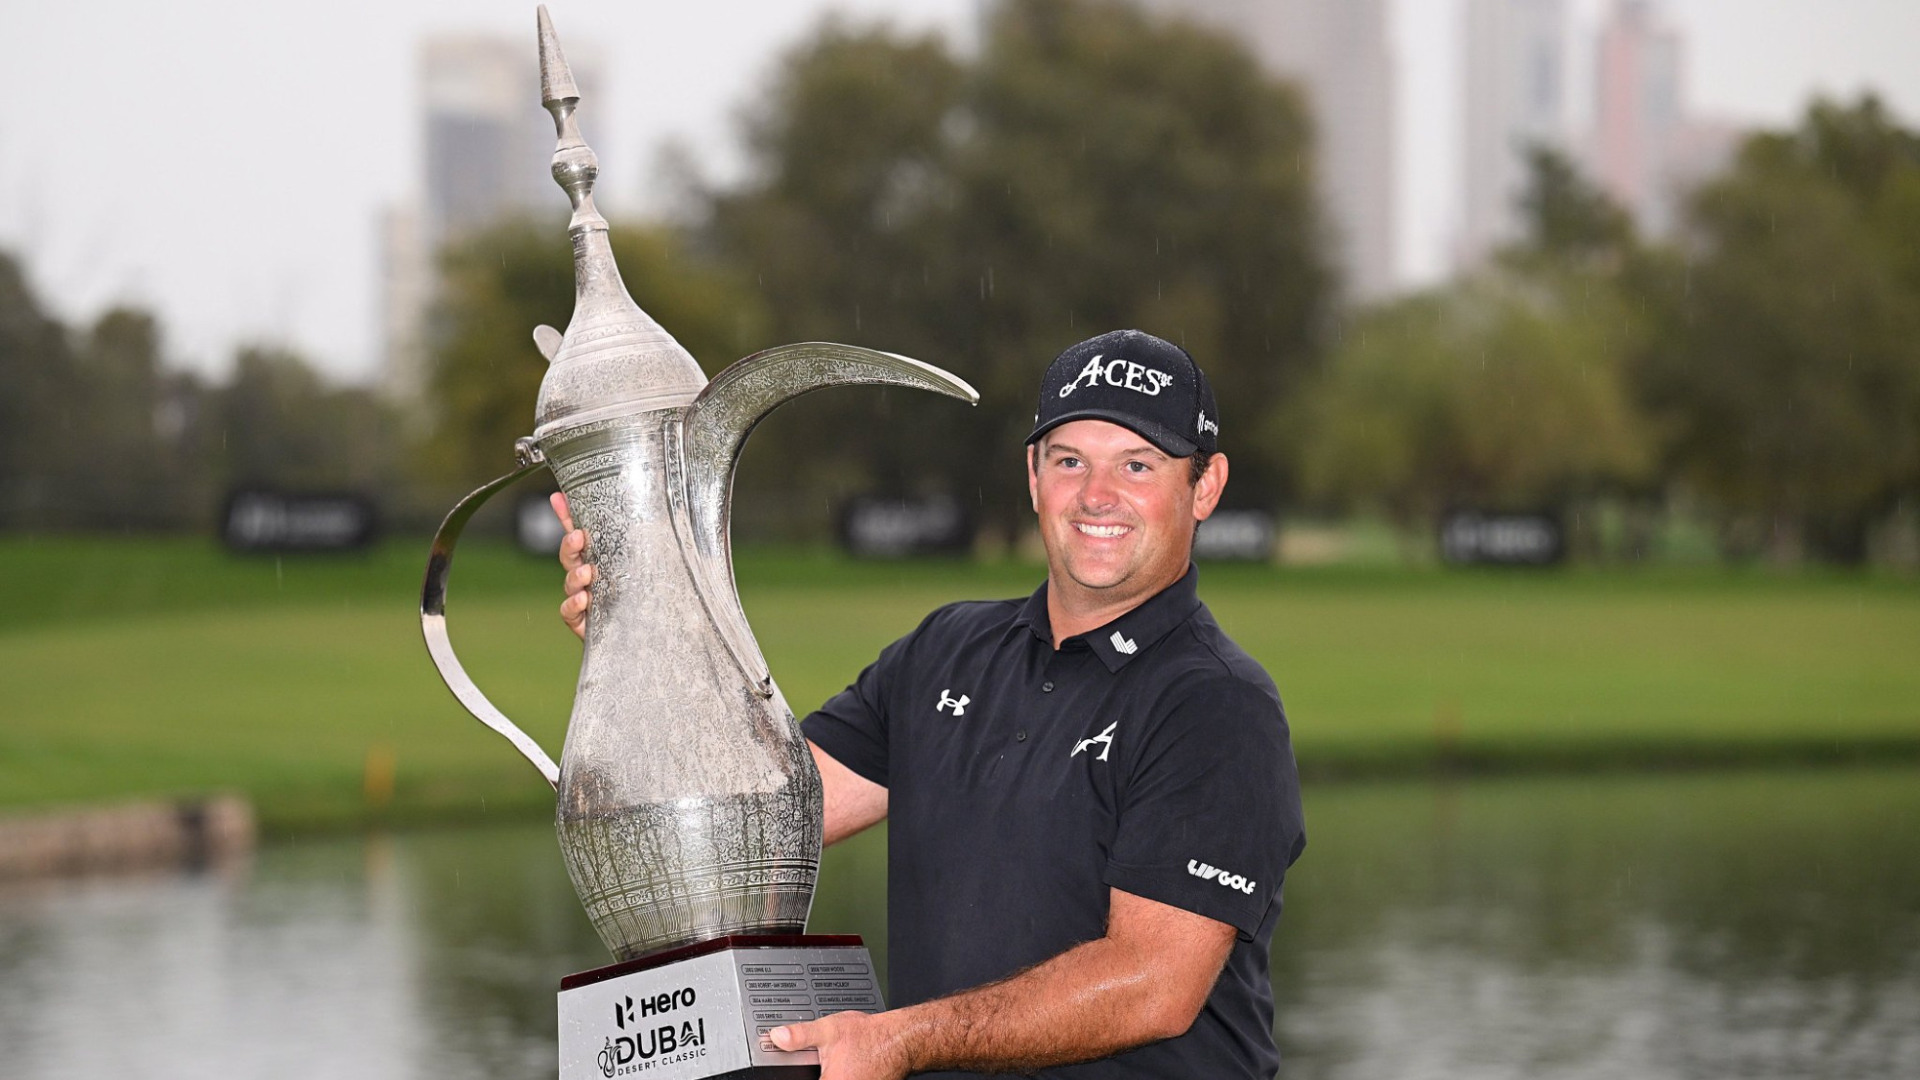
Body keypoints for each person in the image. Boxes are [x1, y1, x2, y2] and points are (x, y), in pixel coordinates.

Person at [554, 329, 1305, 1080]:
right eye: (1069, 461)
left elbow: (1152, 986)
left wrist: (902, 1038)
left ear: (1204, 487)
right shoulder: (946, 650)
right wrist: (645, 625)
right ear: (1034, 478)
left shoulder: (1218, 706)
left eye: (1137, 465)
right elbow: (752, 823)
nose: (1096, 495)